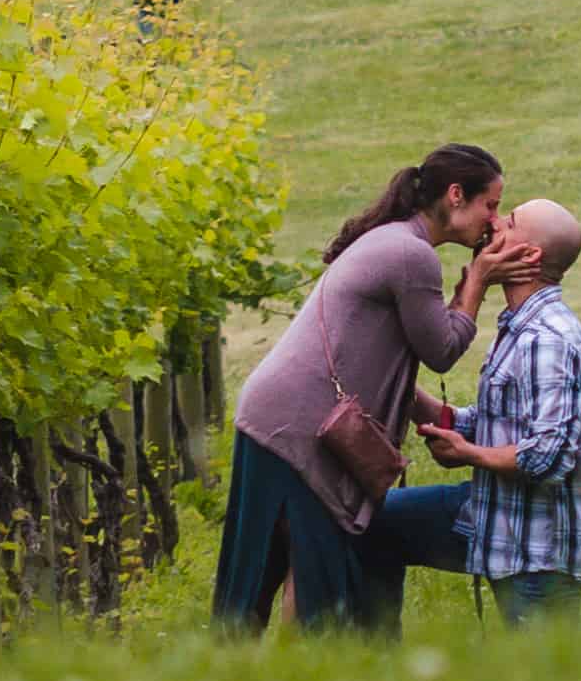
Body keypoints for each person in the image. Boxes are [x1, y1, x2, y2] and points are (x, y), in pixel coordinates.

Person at [216, 144, 535, 632]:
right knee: (305, 571)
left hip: (280, 416)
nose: (494, 222)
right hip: (295, 428)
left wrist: (438, 421)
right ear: (456, 196)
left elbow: (384, 358)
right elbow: (442, 350)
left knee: (286, 571)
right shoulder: (411, 254)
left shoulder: (397, 241)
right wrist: (479, 281)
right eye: (491, 204)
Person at [417, 198, 581, 621]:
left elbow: (547, 456)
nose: (494, 222)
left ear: (529, 255)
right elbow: (505, 423)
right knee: (381, 525)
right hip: (507, 533)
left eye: (510, 221)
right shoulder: (520, 327)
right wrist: (422, 406)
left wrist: (467, 454)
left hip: (539, 555)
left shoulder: (546, 338)